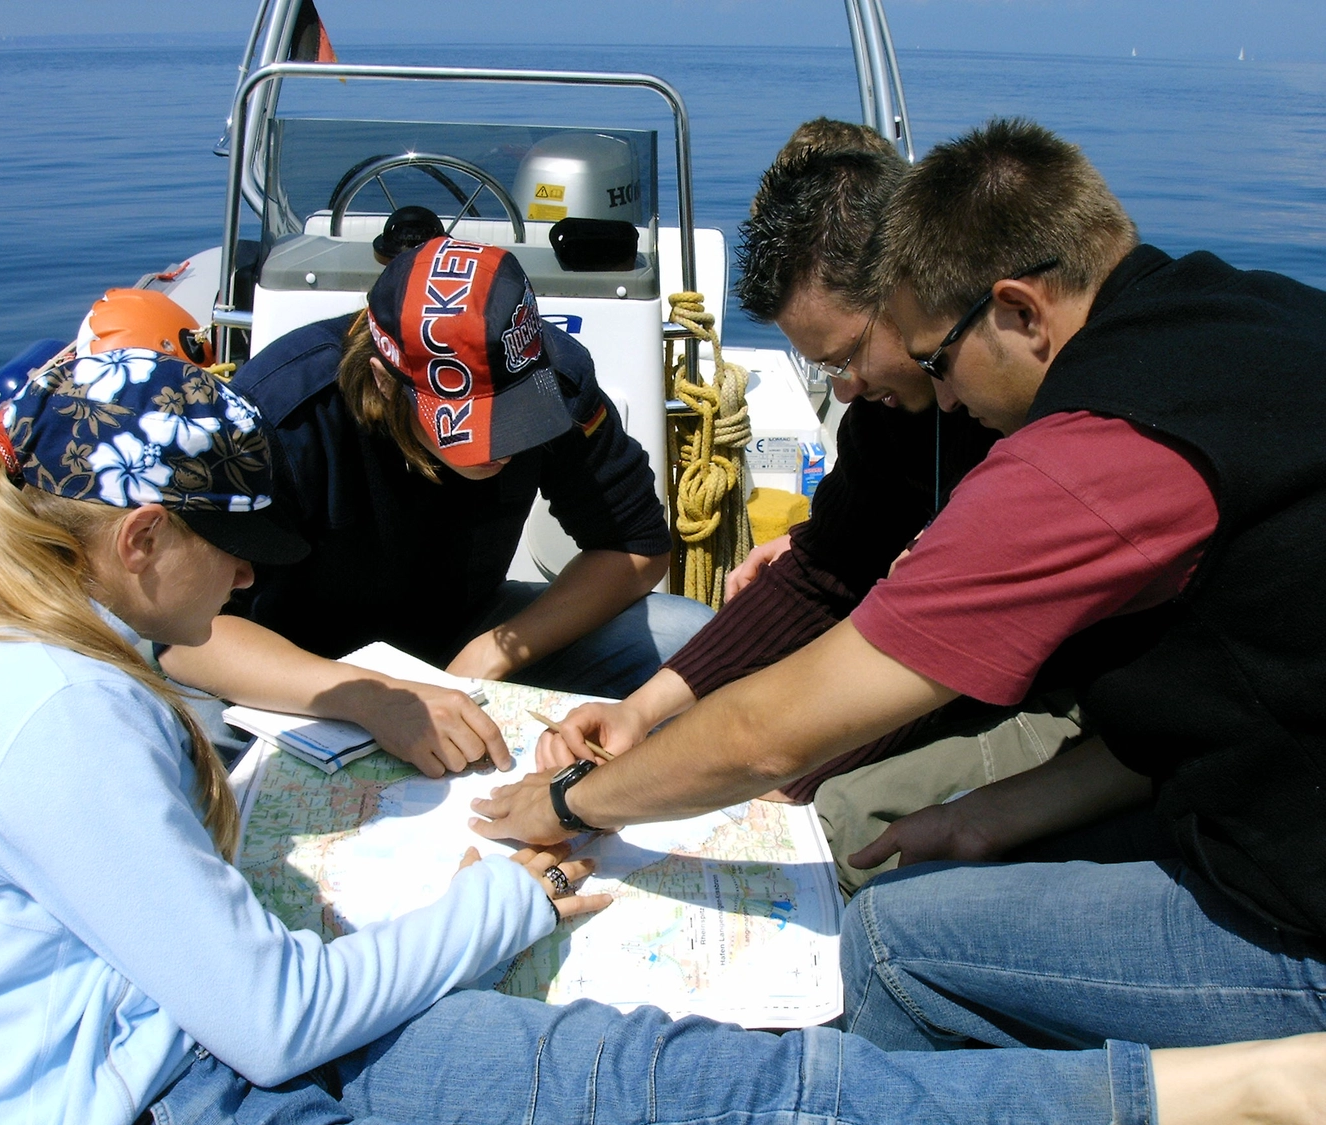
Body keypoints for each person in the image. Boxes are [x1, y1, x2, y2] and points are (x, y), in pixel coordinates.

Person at [0, 350, 1322, 1125]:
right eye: (231, 551)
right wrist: (502, 901)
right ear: (141, 539)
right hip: (187, 1091)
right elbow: (274, 1024)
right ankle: (1226, 1096)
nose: (249, 583)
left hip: (130, 1052)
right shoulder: (61, 716)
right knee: (704, 1090)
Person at [471, 117, 1326, 1056]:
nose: (943, 397)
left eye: (935, 362)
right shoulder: (1247, 313)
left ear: (1019, 312)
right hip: (1229, 781)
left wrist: (573, 803)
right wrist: (982, 817)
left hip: (1289, 911)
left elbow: (766, 736)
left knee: (892, 941)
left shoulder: (1092, 456)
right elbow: (1183, 705)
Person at [537, 121, 1073, 873]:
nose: (844, 391)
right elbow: (823, 573)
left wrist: (795, 777)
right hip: (939, 654)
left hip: (1057, 689)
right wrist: (643, 708)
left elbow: (952, 651)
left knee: (832, 817)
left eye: (847, 356)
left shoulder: (1033, 426)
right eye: (823, 369)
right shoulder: (888, 416)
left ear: (909, 291)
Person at [161, 235, 712, 779]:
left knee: (688, 637)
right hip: (299, 662)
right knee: (192, 737)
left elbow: (634, 546)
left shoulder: (556, 377)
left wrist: (491, 654)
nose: (503, 446)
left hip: (462, 628)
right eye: (471, 426)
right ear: (384, 380)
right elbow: (188, 636)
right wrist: (375, 699)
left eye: (520, 414)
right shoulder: (280, 416)